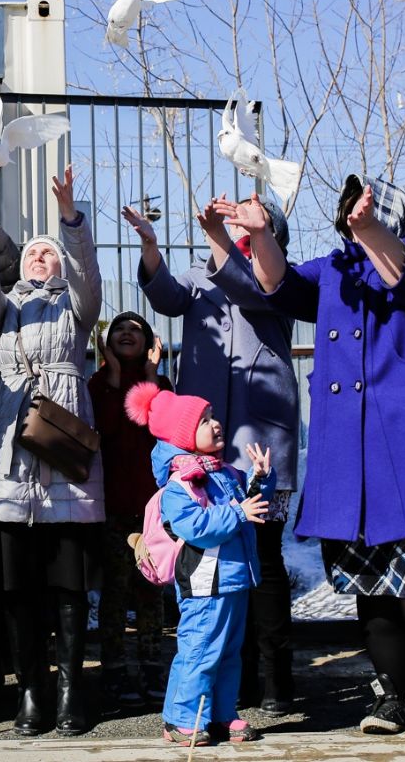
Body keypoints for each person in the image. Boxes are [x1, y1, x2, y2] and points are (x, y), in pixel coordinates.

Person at [223, 175, 405, 750]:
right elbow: (280, 287)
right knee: (372, 585)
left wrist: (369, 230)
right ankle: (393, 694)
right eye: (351, 214)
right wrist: (263, 235)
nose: (353, 216)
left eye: (366, 211)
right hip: (352, 453)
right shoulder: (335, 270)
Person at [124, 194, 299, 712]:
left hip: (257, 435)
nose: (234, 225)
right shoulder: (204, 272)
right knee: (214, 559)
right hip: (202, 443)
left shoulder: (273, 271)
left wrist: (224, 244)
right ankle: (234, 682)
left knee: (262, 558)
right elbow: (166, 296)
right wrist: (151, 248)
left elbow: (248, 286)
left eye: (247, 220)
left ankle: (275, 682)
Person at [0, 166, 103, 736]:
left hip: (63, 443)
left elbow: (87, 273)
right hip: (11, 445)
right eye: (33, 253)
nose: (39, 258)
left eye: (47, 253)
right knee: (17, 581)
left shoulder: (77, 306)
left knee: (67, 579)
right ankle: (30, 691)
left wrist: (69, 218)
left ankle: (70, 693)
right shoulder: (8, 310)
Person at [125, 385, 273, 747]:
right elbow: (197, 528)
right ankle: (182, 719)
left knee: (228, 652)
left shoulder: (225, 474)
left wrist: (259, 480)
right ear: (184, 437)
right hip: (206, 580)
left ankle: (221, 713)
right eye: (204, 421)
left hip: (234, 578)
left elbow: (252, 505)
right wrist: (238, 512)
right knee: (200, 650)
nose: (216, 424)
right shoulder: (182, 484)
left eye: (212, 416)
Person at [87, 312, 171, 707]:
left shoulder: (161, 385)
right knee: (115, 591)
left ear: (149, 341)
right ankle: (115, 668)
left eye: (134, 330)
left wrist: (151, 379)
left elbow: (162, 430)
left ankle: (154, 664)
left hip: (152, 507)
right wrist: (116, 376)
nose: (125, 333)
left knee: (151, 591)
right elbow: (107, 429)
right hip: (111, 505)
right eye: (118, 329)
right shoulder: (98, 384)